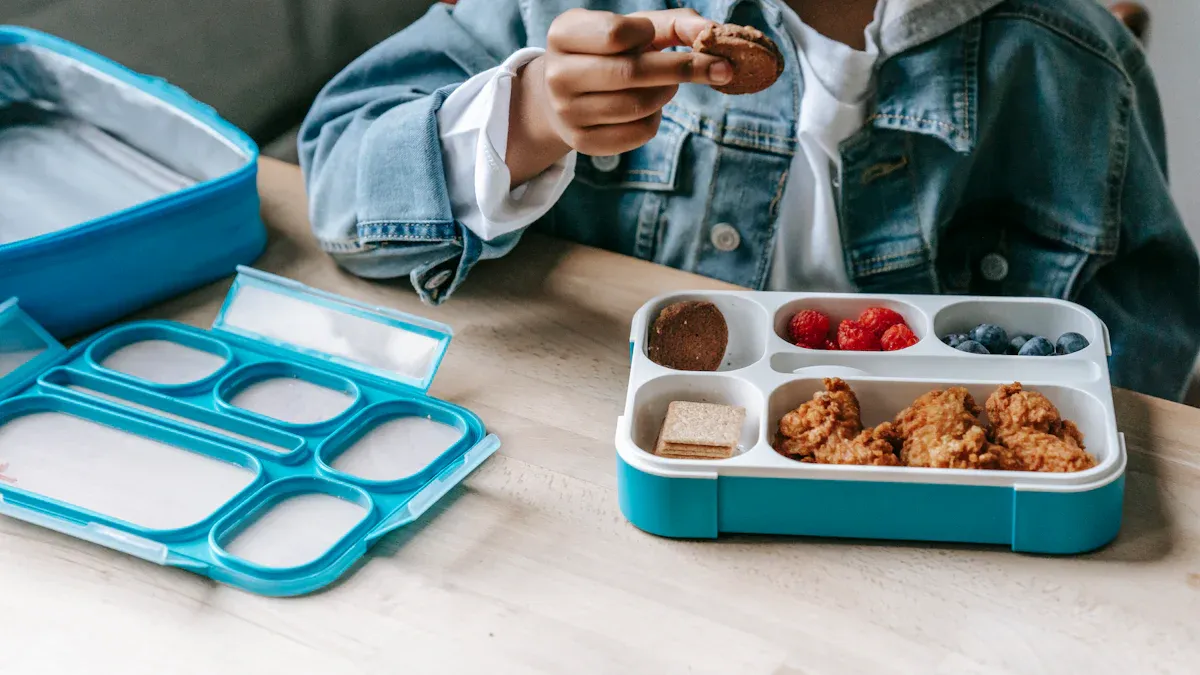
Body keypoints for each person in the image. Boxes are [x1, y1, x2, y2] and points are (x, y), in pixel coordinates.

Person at [298, 0, 1200, 401]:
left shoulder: (1070, 65)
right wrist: (527, 114)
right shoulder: (576, 7)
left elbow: (1150, 334)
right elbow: (336, 190)